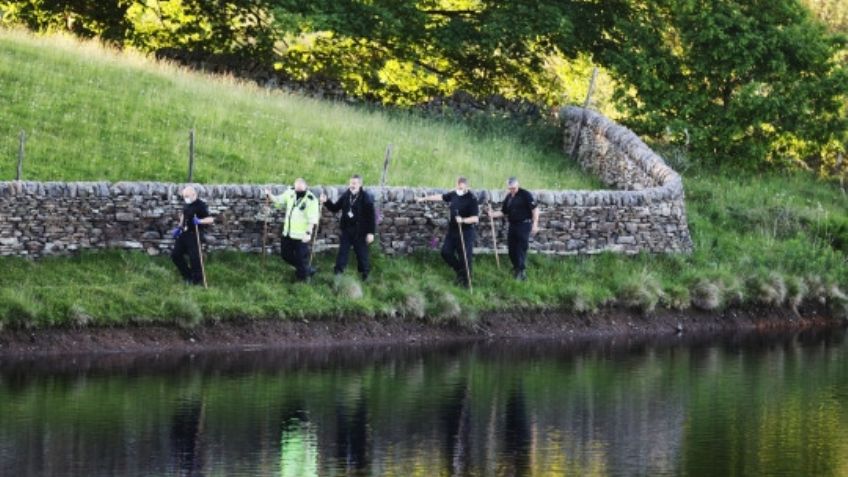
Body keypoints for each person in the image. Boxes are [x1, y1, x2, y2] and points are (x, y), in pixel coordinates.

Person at [416, 176, 479, 287]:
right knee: (446, 252)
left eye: (462, 188)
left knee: (464, 256)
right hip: (453, 230)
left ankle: (466, 281)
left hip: (466, 232)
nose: (459, 190)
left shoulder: (472, 199)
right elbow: (441, 197)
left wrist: (463, 220)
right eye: (458, 187)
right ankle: (460, 271)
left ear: (467, 187)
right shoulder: (454, 193)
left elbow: (475, 218)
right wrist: (424, 199)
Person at [320, 174, 376, 281]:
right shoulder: (347, 195)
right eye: (350, 183)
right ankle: (338, 273)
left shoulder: (366, 197)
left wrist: (370, 233)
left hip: (360, 231)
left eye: (354, 183)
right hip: (347, 229)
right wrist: (326, 201)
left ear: (360, 184)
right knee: (343, 252)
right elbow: (335, 208)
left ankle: (365, 274)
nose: (352, 185)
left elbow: (371, 217)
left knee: (361, 253)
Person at [264, 178, 320, 282]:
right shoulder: (290, 192)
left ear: (306, 188)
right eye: (296, 190)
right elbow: (279, 201)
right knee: (285, 255)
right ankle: (307, 270)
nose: (298, 192)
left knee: (300, 258)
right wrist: (270, 195)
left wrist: (308, 233)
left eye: (301, 191)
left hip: (301, 236)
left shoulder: (311, 200)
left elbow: (312, 219)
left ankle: (302, 279)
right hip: (288, 233)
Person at [488, 177, 539, 280]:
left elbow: (535, 209)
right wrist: (492, 214)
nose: (512, 190)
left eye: (514, 188)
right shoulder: (509, 197)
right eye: (510, 188)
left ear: (517, 185)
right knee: (511, 249)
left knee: (520, 248)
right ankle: (516, 267)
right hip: (513, 225)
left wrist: (535, 224)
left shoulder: (525, 194)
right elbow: (503, 212)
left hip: (524, 225)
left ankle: (521, 272)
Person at [170, 185, 214, 285]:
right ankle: (188, 276)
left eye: (187, 196)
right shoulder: (186, 204)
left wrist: (200, 221)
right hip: (184, 233)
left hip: (195, 235)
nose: (186, 198)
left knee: (195, 259)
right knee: (175, 255)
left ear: (194, 194)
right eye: (184, 196)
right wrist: (179, 227)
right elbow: (183, 214)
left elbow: (211, 219)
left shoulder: (201, 205)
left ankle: (198, 281)